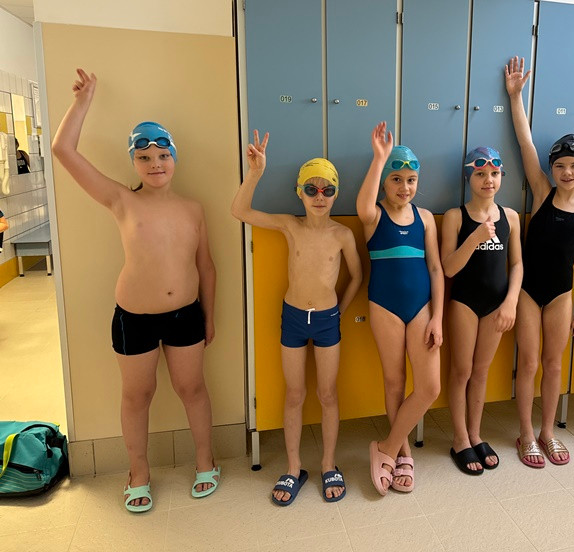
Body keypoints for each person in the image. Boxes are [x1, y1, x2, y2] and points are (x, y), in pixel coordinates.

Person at [51, 69, 219, 512]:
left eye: (163, 155)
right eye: (144, 157)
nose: (155, 163)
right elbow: (63, 150)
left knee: (192, 389)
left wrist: (210, 315)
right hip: (134, 318)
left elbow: (206, 266)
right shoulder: (121, 200)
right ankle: (138, 472)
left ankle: (206, 461)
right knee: (137, 396)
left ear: (174, 158)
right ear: (134, 163)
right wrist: (83, 101)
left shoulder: (193, 208)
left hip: (186, 315)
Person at [231, 133, 362, 505]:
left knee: (327, 394)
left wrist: (339, 311)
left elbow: (356, 276)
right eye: (311, 189)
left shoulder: (342, 235)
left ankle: (328, 463)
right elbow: (240, 211)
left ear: (336, 194)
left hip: (327, 320)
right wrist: (256, 173)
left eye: (327, 190)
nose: (319, 196)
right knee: (294, 394)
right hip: (292, 318)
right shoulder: (290, 225)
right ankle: (293, 467)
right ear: (299, 193)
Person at [505, 57, 574, 467]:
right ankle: (526, 433)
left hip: (562, 293)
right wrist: (516, 97)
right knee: (529, 363)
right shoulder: (542, 191)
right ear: (551, 169)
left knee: (553, 364)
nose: (567, 172)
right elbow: (525, 143)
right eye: (560, 166)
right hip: (528, 290)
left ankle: (548, 431)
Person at [357, 121, 443, 495]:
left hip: (422, 308)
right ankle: (404, 454)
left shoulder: (425, 218)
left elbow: (436, 269)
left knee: (429, 387)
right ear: (385, 182)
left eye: (410, 180)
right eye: (396, 179)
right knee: (394, 382)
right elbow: (362, 205)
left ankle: (386, 447)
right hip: (385, 306)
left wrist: (438, 317)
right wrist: (379, 158)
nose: (404, 187)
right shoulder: (374, 216)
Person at [442, 146, 523, 475]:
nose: (488, 180)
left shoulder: (511, 217)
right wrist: (475, 237)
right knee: (461, 371)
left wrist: (511, 302)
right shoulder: (455, 217)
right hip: (464, 302)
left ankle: (475, 434)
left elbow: (516, 264)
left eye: (494, 174)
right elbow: (449, 268)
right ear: (468, 177)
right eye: (480, 174)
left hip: (497, 305)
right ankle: (460, 438)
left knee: (481, 371)